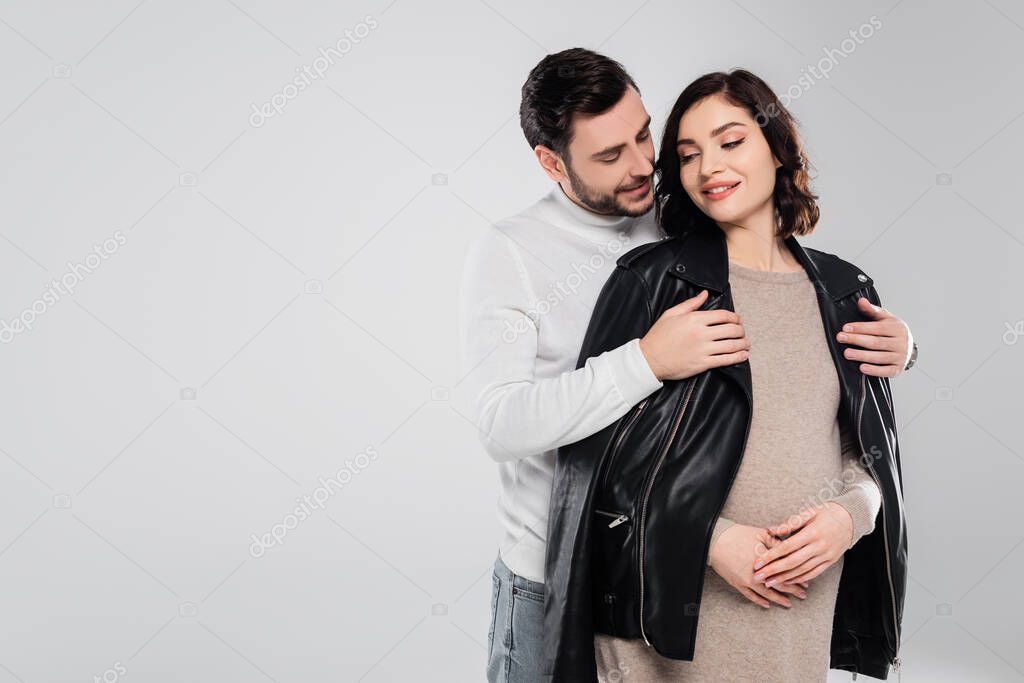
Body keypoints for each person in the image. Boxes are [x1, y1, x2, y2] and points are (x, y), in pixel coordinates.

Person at [458, 50, 916, 683]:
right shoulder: (515, 251)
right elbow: (502, 425)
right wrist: (646, 361)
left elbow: (808, 383)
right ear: (552, 162)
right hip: (553, 565)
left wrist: (905, 346)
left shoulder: (686, 216)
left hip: (697, 583)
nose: (643, 166)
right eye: (610, 155)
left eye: (646, 137)